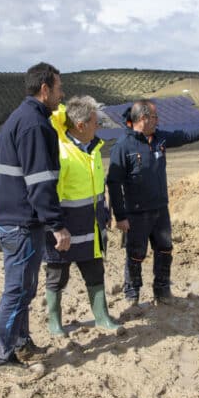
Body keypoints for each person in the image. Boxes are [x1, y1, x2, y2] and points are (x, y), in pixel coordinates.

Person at [0, 62, 71, 375]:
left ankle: (21, 343)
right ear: (44, 89)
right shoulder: (35, 125)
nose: (62, 94)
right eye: (59, 88)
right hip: (22, 223)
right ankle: (3, 356)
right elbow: (41, 182)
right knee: (18, 290)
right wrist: (57, 225)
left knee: (23, 289)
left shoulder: (17, 118)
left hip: (15, 218)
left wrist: (2, 203)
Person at [106, 99, 199, 305]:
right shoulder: (123, 146)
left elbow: (185, 136)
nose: (158, 121)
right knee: (136, 254)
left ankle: (162, 290)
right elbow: (113, 183)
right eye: (155, 117)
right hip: (136, 214)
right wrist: (120, 217)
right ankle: (132, 294)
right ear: (143, 118)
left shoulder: (160, 139)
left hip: (160, 210)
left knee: (165, 250)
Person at [43, 96, 121, 336]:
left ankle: (102, 317)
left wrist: (104, 211)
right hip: (65, 228)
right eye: (95, 122)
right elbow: (50, 194)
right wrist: (55, 226)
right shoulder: (61, 152)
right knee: (57, 275)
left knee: (95, 272)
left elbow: (96, 187)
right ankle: (54, 322)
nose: (98, 126)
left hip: (91, 226)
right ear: (80, 125)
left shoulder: (93, 149)